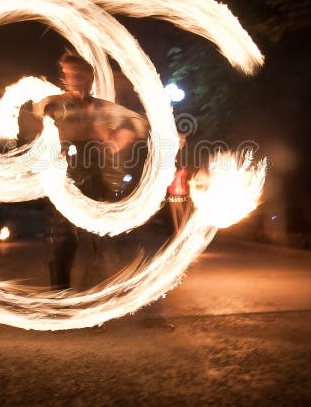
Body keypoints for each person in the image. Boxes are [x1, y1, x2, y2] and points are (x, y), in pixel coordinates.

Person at [26, 52, 147, 290]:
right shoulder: (54, 104)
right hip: (66, 176)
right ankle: (60, 295)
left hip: (95, 175)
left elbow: (136, 124)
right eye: (68, 75)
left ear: (89, 77)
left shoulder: (100, 107)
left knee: (99, 239)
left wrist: (115, 140)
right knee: (64, 240)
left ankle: (97, 292)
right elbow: (33, 127)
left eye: (79, 75)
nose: (73, 80)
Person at [166, 134, 190, 234]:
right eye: (180, 141)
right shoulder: (172, 153)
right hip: (173, 187)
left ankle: (180, 232)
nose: (182, 143)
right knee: (175, 213)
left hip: (180, 189)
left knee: (180, 212)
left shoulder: (183, 153)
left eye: (184, 141)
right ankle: (177, 232)